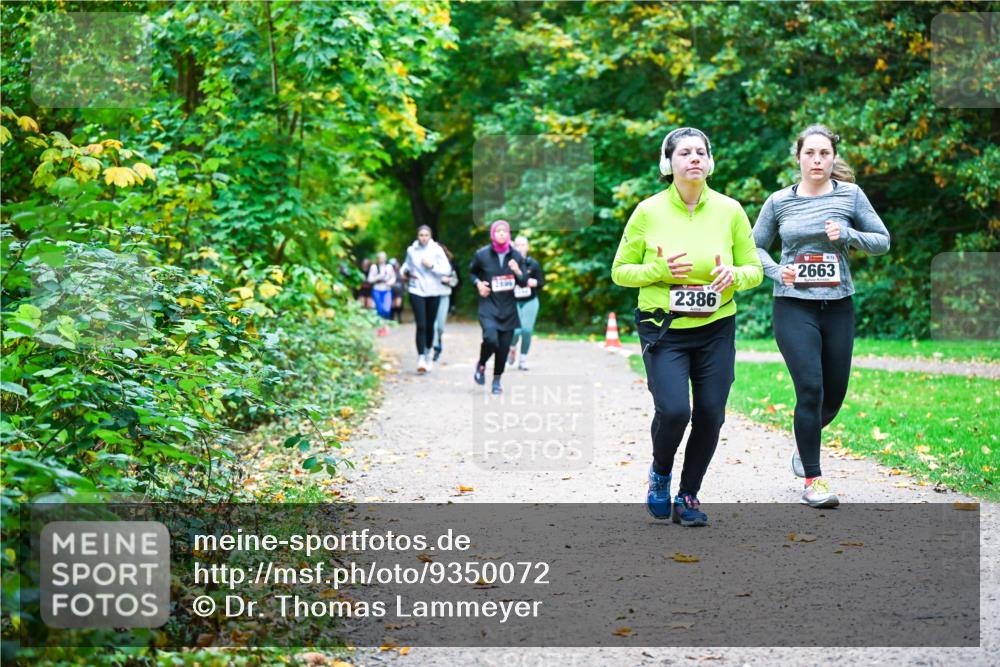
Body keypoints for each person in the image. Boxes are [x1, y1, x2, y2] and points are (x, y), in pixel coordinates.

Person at [611, 127, 763, 526]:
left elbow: (755, 269)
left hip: (716, 325)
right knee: (675, 410)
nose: (693, 158)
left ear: (709, 162)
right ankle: (660, 473)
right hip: (663, 326)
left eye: (700, 152)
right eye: (684, 153)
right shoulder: (648, 211)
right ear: (669, 163)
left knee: (711, 413)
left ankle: (688, 495)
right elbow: (620, 271)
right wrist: (659, 270)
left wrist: (735, 275)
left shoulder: (730, 210)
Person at [752, 124, 890, 509]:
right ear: (798, 158)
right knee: (810, 388)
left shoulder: (851, 196)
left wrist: (848, 234)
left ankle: (804, 442)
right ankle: (813, 479)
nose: (817, 160)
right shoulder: (779, 202)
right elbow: (754, 248)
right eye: (810, 153)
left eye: (824, 153)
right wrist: (779, 272)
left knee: (834, 395)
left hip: (839, 307)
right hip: (793, 306)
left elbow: (883, 240)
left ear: (833, 158)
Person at [469, 220, 529, 394]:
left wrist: (517, 270)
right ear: (493, 234)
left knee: (503, 347)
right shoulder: (482, 255)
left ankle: (497, 380)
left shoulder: (516, 255)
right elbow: (472, 272)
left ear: (508, 234)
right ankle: (481, 364)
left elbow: (524, 281)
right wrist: (478, 284)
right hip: (488, 306)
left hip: (508, 309)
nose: (501, 234)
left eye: (504, 231)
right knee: (491, 339)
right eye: (498, 231)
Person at [400, 225, 452, 374]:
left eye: (426, 235)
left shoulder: (437, 250)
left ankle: (428, 352)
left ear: (430, 236)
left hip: (434, 291)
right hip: (416, 289)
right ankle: (421, 357)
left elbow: (446, 270)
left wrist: (432, 266)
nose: (423, 238)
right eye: (421, 235)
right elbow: (407, 265)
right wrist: (404, 271)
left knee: (430, 325)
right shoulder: (412, 250)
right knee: (421, 324)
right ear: (417, 236)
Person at [508, 235, 545, 370]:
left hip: (530, 300)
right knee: (516, 331)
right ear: (513, 247)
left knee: (527, 330)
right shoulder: (509, 264)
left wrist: (533, 282)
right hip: (513, 302)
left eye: (523, 245)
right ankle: (512, 348)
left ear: (528, 247)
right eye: (517, 245)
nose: (520, 248)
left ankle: (522, 360)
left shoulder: (533, 264)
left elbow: (541, 283)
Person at [432, 243, 460, 361]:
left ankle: (438, 341)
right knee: (433, 325)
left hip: (444, 296)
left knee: (440, 327)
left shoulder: (449, 266)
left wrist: (447, 280)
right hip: (431, 296)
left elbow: (455, 281)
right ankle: (434, 347)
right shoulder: (429, 264)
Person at [368, 251, 396, 336]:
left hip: (387, 289)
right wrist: (379, 277)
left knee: (386, 309)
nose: (382, 259)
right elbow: (370, 279)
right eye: (380, 257)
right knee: (379, 310)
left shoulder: (389, 267)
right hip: (377, 290)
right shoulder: (374, 267)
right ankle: (380, 328)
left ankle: (386, 325)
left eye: (383, 257)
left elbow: (393, 277)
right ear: (378, 259)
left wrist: (390, 283)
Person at [389, 257, 405, 323]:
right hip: (392, 290)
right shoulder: (390, 272)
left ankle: (399, 317)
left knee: (398, 304)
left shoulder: (401, 272)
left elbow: (404, 281)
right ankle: (392, 318)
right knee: (392, 304)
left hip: (399, 290)